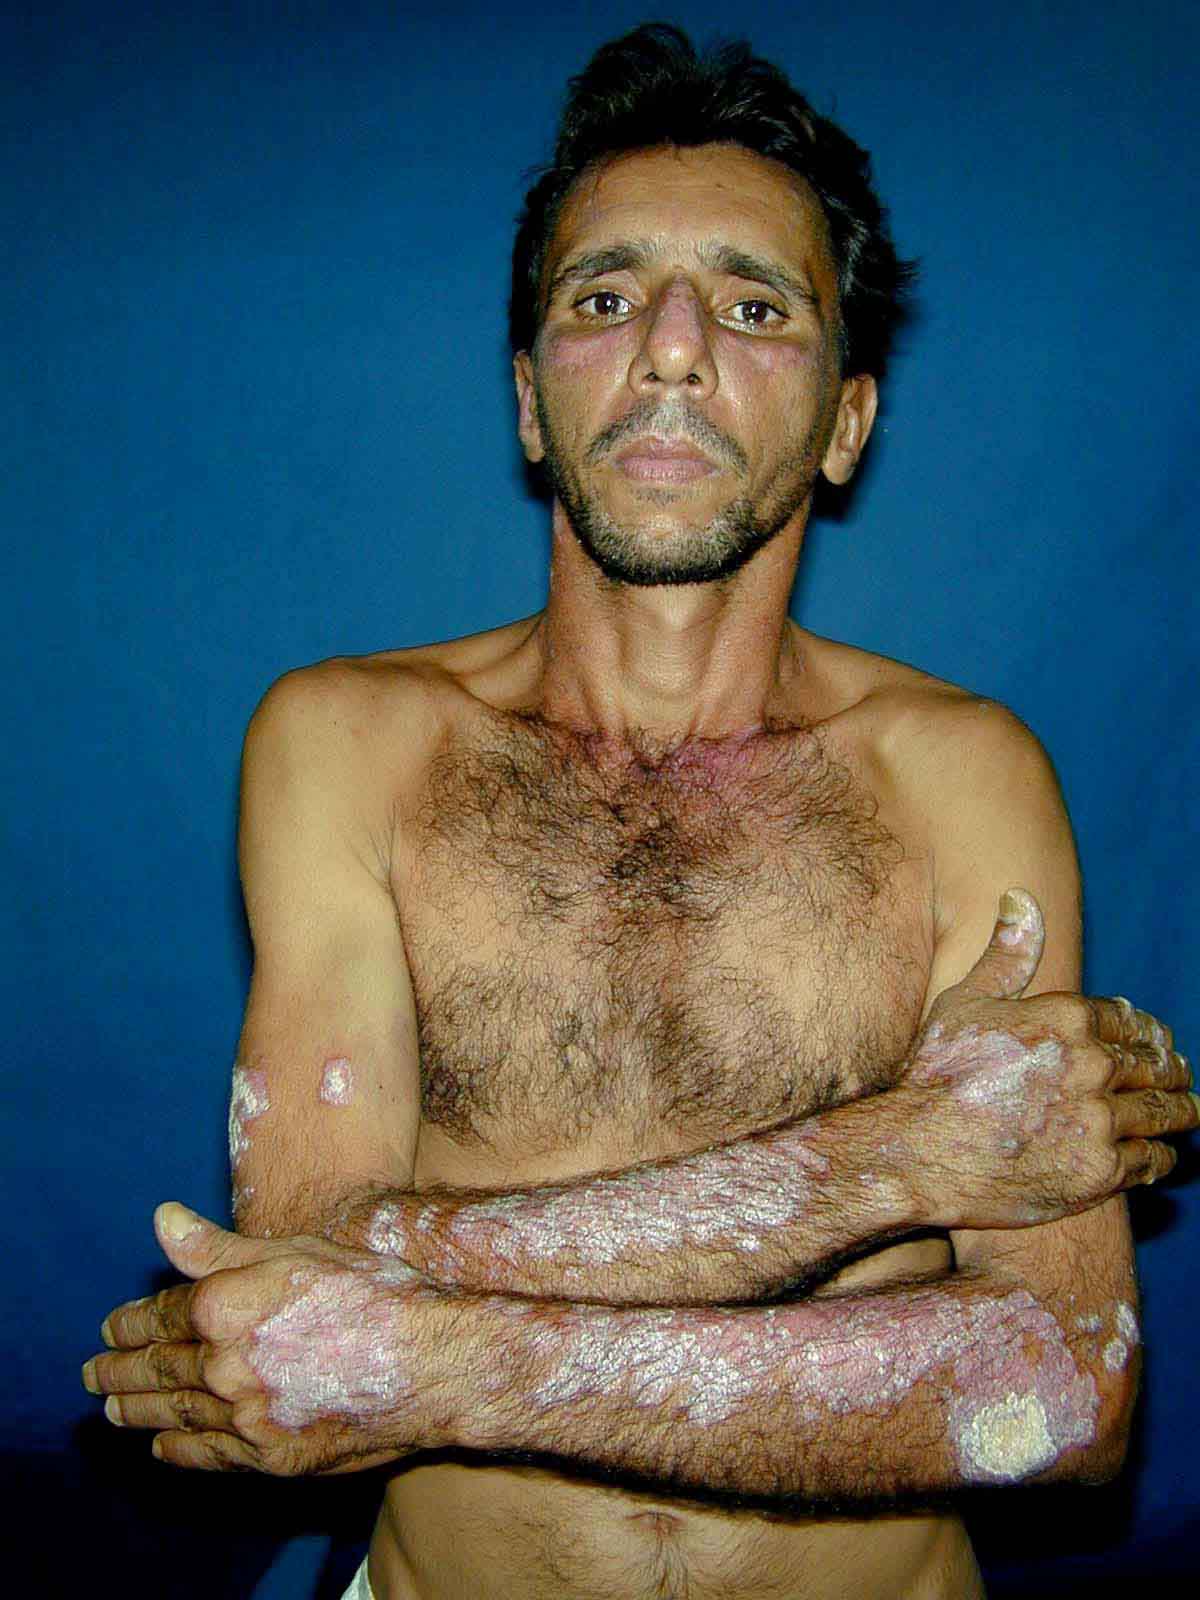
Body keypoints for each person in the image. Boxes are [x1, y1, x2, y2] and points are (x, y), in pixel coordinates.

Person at [83, 24, 1197, 1600]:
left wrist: (447, 1365)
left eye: (754, 308)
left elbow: (1063, 1391)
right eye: (604, 302)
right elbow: (312, 1293)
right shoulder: (349, 748)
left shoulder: (963, 777)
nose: (672, 351)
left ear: (848, 423)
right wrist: (885, 1166)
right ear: (531, 404)